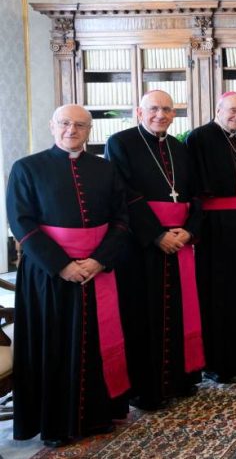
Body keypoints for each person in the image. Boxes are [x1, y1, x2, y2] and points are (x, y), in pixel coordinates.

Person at [7, 105, 130, 447]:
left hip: (97, 270)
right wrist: (62, 265)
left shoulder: (105, 169)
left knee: (97, 344)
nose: (71, 130)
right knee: (55, 346)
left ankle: (98, 416)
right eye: (64, 123)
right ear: (52, 126)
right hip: (50, 275)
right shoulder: (27, 168)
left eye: (80, 125)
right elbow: (22, 224)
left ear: (90, 130)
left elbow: (121, 220)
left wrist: (99, 260)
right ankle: (57, 425)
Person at [104, 90, 204, 411]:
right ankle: (147, 389)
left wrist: (189, 230)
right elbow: (124, 195)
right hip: (141, 245)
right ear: (139, 112)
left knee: (179, 309)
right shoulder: (121, 143)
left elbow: (196, 195)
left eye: (166, 110)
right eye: (153, 109)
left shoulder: (178, 147)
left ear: (174, 115)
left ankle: (179, 378)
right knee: (144, 314)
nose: (160, 115)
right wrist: (157, 235)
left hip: (180, 241)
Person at [186, 92, 236, 383]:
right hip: (217, 230)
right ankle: (220, 362)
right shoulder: (201, 137)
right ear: (218, 109)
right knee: (220, 293)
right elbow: (197, 189)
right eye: (233, 110)